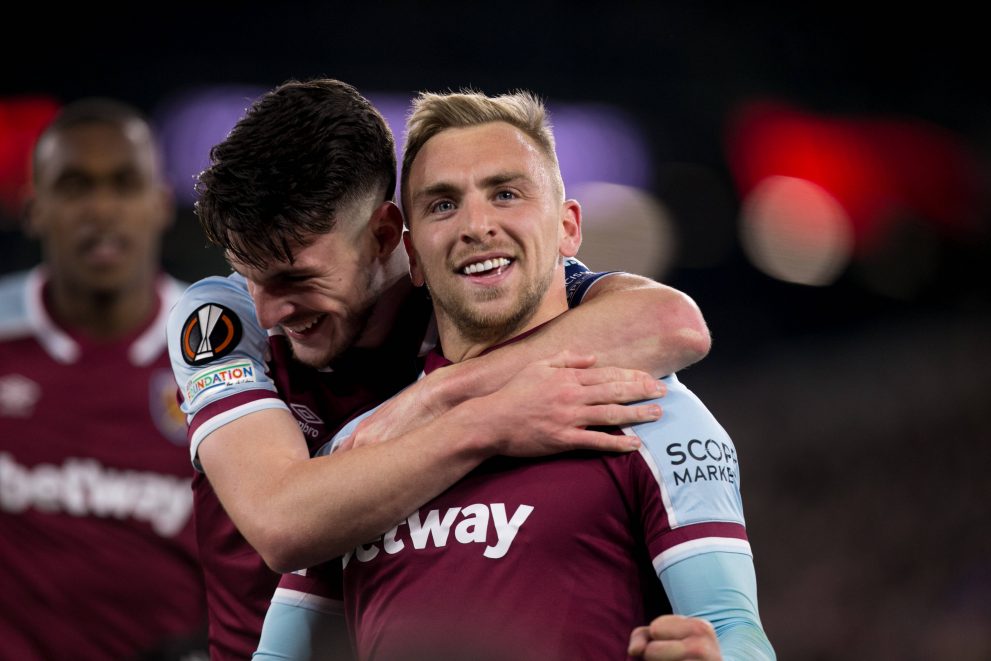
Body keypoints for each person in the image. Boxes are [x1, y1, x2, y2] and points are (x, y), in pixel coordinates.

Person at [166, 78, 712, 659]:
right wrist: (483, 417)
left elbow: (672, 324)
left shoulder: (469, 294)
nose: (272, 312)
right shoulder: (220, 316)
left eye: (299, 279)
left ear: (383, 235)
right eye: (252, 276)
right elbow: (282, 524)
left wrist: (435, 395)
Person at [0, 98, 208, 659]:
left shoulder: (223, 351)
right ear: (35, 208)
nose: (102, 209)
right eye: (74, 187)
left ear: (161, 203)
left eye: (124, 184)